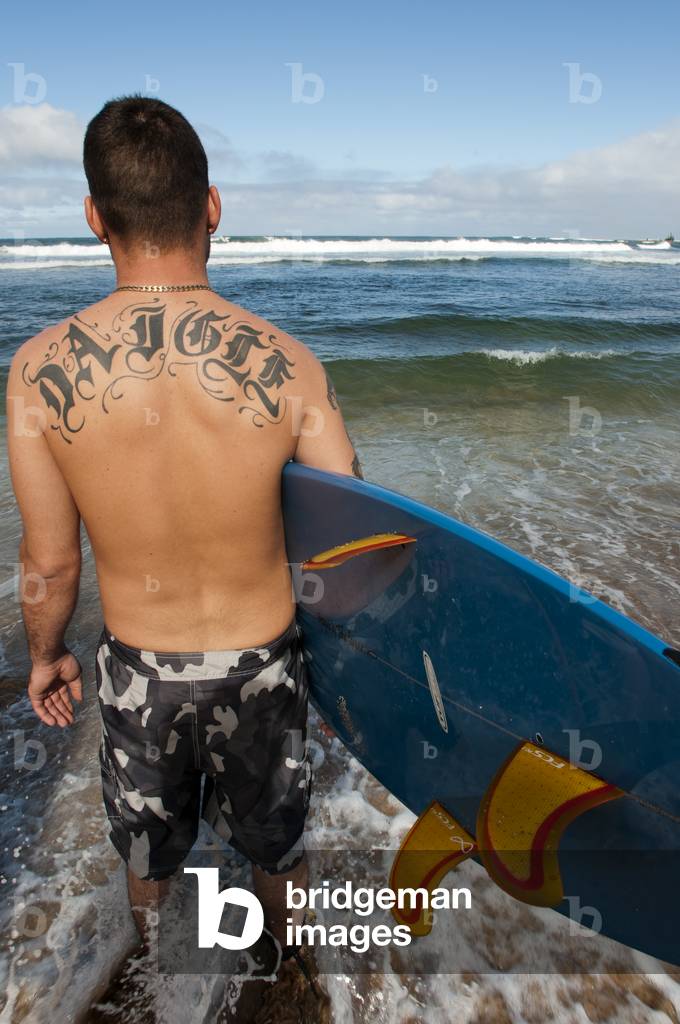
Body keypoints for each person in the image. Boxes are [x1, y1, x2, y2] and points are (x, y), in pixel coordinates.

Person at [7, 95, 360, 1010]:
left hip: (139, 676)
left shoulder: (38, 370)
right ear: (212, 205)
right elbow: (350, 531)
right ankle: (299, 979)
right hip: (265, 666)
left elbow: (49, 564)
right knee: (275, 845)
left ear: (93, 215)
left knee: (151, 857)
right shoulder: (291, 363)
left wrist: (46, 655)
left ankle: (165, 988)